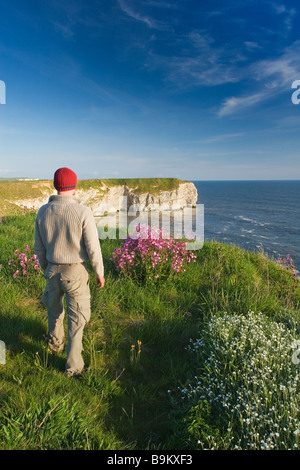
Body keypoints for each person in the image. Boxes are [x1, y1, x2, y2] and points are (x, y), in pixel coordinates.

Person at [34, 167, 105, 377]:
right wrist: (99, 272)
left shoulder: (43, 211)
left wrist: (45, 268)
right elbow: (93, 247)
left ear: (55, 185)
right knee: (77, 318)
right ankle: (73, 367)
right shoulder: (83, 212)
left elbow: (39, 247)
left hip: (52, 270)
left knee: (53, 310)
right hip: (75, 272)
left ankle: (55, 343)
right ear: (74, 186)